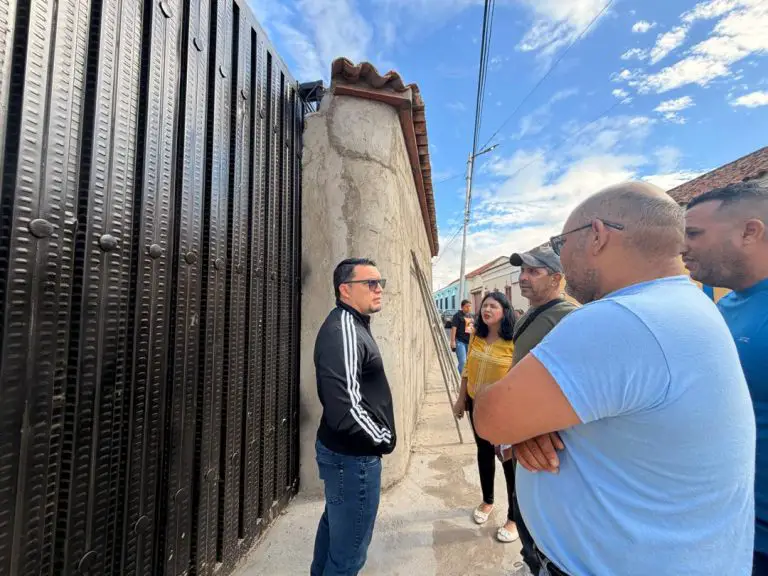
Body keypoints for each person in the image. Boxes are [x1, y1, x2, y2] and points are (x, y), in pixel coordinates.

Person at [473, 182, 755, 576]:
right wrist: (529, 423)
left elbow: (489, 417)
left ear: (598, 236)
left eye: (560, 243)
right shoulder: (687, 303)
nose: (561, 256)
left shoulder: (622, 319)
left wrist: (510, 412)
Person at [683, 180, 768, 575]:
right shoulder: (722, 305)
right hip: (720, 524)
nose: (683, 247)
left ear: (750, 232)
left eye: (694, 234)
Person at [311, 258, 396, 576]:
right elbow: (345, 409)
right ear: (345, 289)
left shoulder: (354, 325)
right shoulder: (344, 330)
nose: (379, 289)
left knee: (336, 531)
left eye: (380, 282)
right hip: (353, 458)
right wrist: (383, 439)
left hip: (346, 455)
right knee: (348, 557)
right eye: (370, 283)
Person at [507, 244, 577, 574]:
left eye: (533, 271)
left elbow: (574, 388)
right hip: (521, 433)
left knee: (542, 520)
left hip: (546, 443)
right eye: (522, 271)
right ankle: (530, 562)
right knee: (524, 510)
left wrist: (534, 428)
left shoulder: (568, 317)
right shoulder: (533, 314)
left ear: (557, 278)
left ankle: (539, 565)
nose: (523, 278)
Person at [452, 291, 519, 543]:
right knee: (483, 452)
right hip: (475, 405)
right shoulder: (477, 337)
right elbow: (467, 368)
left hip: (502, 411)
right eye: (484, 306)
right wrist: (461, 399)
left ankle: (513, 518)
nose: (486, 310)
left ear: (505, 310)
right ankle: (487, 501)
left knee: (508, 462)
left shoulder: (513, 341)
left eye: (493, 306)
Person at [450, 300, 474, 374]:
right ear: (462, 307)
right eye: (466, 306)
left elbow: (470, 330)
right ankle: (461, 380)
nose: (468, 308)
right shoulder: (457, 316)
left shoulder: (470, 316)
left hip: (468, 342)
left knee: (467, 363)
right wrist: (453, 341)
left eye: (470, 306)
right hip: (460, 342)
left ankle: (462, 376)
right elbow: (454, 328)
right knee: (463, 362)